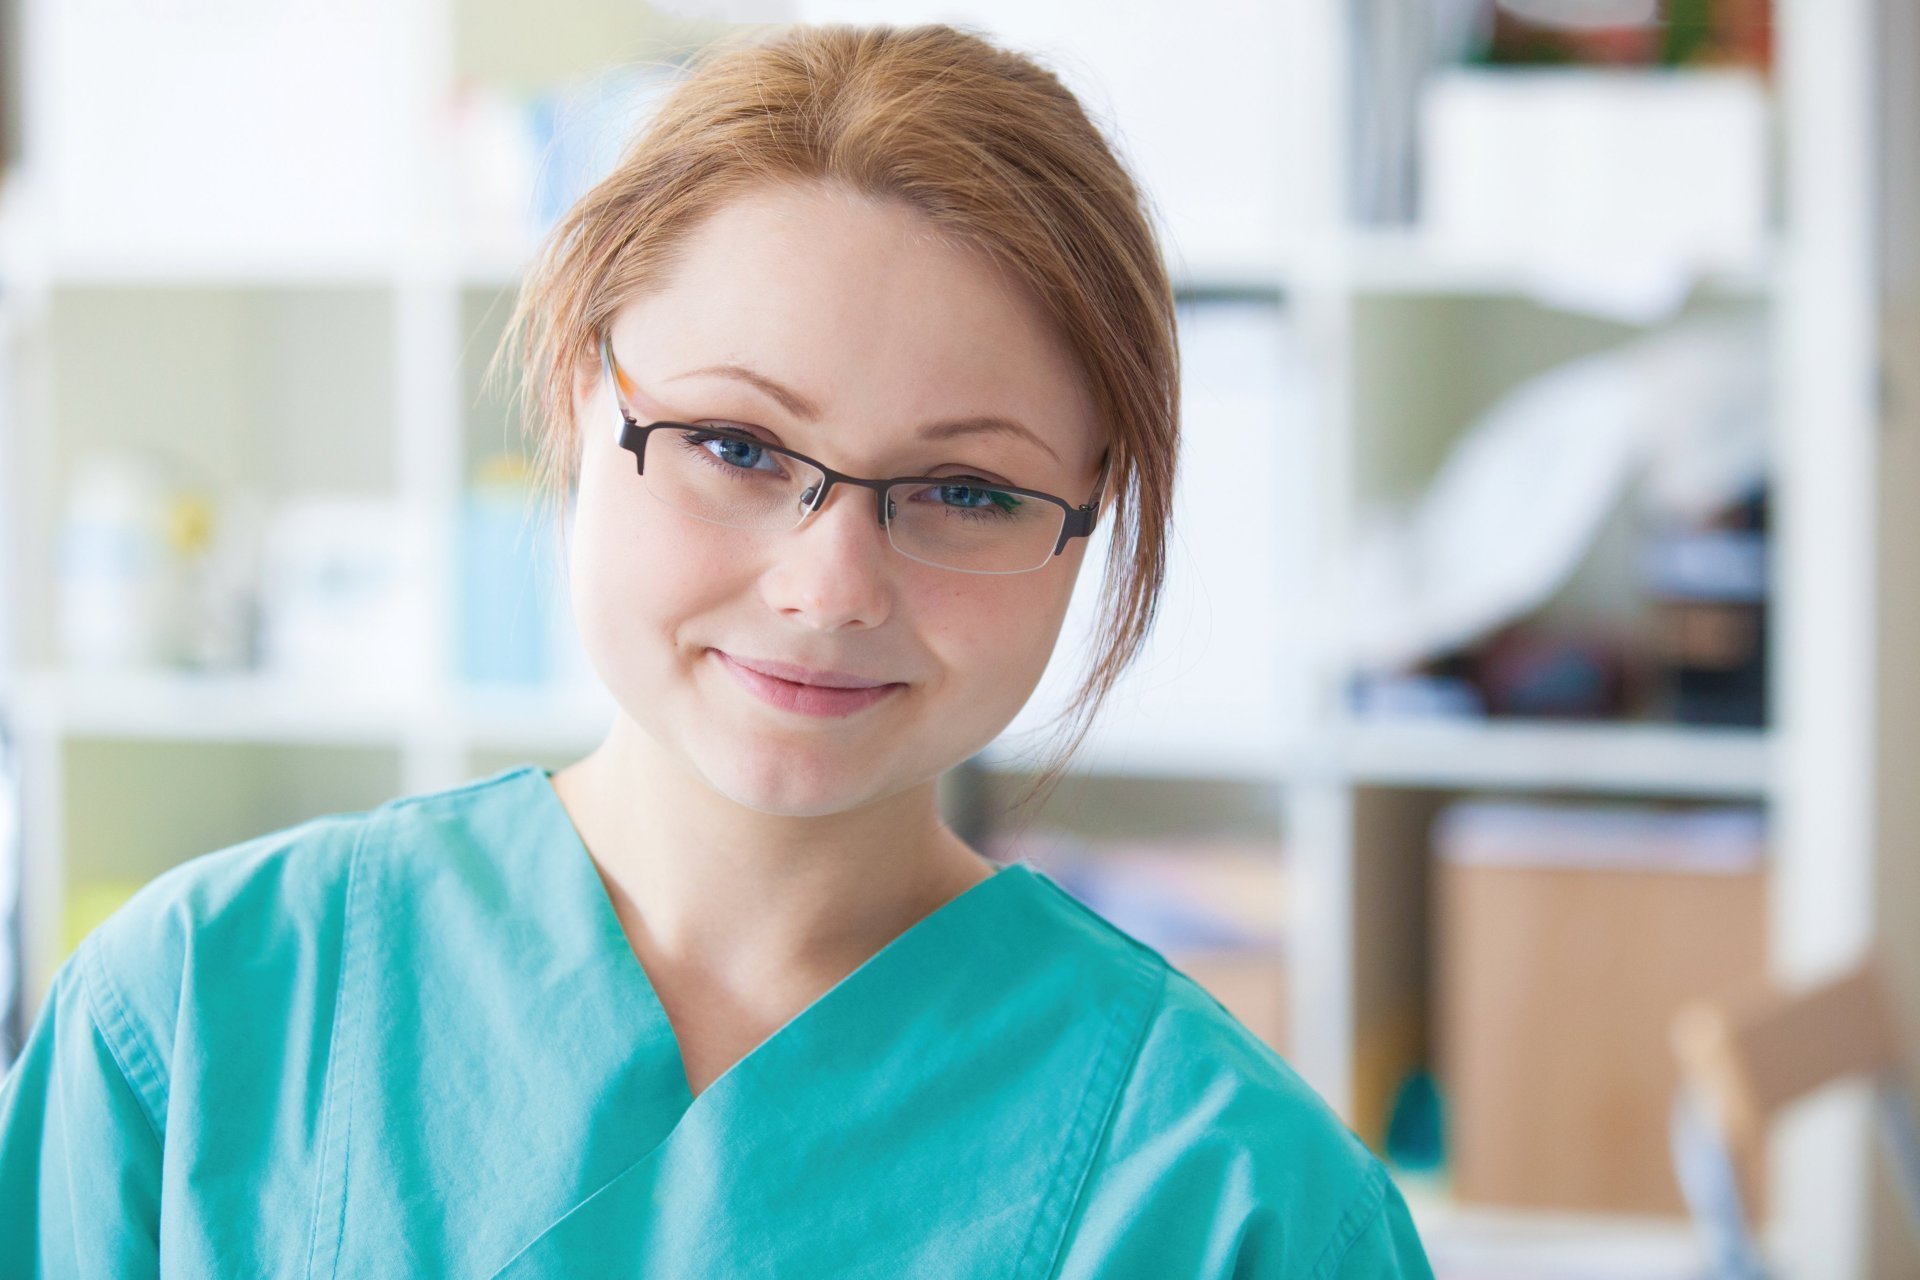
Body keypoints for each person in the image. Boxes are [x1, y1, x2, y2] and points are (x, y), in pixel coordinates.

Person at [0, 22, 1433, 1278]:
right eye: (737, 446)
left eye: (966, 491)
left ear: (1087, 514)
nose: (829, 588)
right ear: (579, 396)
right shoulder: (194, 1021)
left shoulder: (1238, 1205)